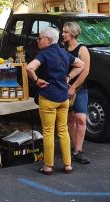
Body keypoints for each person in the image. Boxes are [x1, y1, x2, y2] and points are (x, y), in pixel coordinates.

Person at [27, 27, 84, 175]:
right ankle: (68, 165)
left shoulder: (44, 54)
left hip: (48, 97)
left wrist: (37, 80)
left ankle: (48, 166)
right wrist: (68, 77)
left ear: (49, 40)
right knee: (63, 130)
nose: (37, 41)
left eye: (40, 38)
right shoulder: (64, 52)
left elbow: (29, 68)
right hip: (63, 98)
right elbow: (81, 65)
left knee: (48, 132)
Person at [62, 22, 91, 164]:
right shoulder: (62, 48)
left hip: (79, 88)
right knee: (69, 119)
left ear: (72, 33)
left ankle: (79, 150)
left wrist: (73, 87)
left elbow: (85, 71)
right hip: (64, 87)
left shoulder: (82, 49)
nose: (63, 34)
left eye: (65, 32)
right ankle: (74, 146)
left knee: (80, 118)